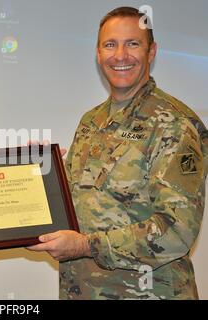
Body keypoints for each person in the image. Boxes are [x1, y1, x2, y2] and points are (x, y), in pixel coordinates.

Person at [28, 6, 208, 300]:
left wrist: (87, 246)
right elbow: (79, 206)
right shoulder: (91, 121)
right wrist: (38, 180)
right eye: (110, 45)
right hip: (82, 291)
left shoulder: (173, 124)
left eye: (132, 44)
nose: (120, 55)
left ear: (152, 52)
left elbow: (176, 231)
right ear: (98, 54)